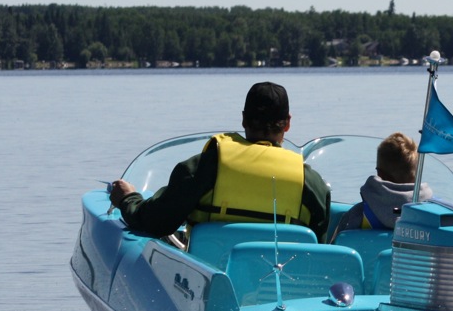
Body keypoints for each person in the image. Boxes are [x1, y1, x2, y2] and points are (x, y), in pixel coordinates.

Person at [110, 82, 332, 242]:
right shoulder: (311, 183)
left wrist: (128, 199)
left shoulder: (203, 168)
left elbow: (156, 222)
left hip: (210, 278)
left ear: (243, 118)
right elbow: (318, 246)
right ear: (287, 124)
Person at [331, 131, 453, 249]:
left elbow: (335, 253)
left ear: (379, 173)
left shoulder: (356, 216)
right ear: (416, 176)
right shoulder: (441, 218)